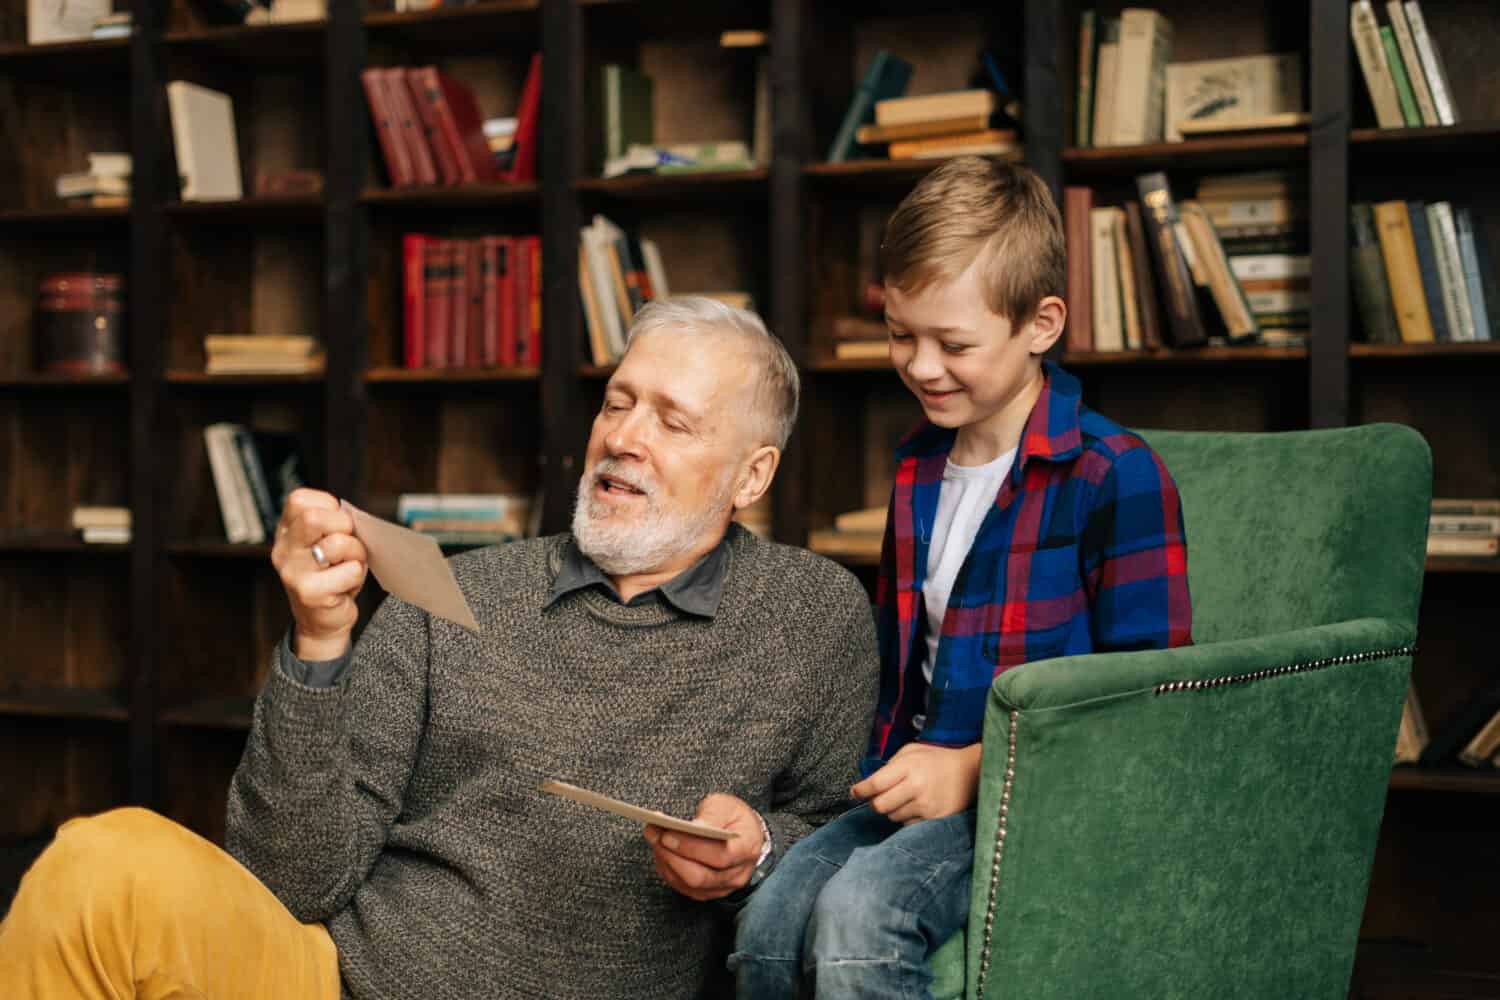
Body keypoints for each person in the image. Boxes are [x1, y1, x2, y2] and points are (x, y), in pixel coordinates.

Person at [0, 297, 880, 1000]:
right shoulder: (458, 592)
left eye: (673, 422)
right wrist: (318, 644)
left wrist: (758, 850)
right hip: (341, 983)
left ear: (752, 475)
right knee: (98, 864)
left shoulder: (812, 618)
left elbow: (832, 841)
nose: (623, 437)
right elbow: (289, 881)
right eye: (618, 402)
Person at [730, 157, 1195, 999]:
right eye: (903, 334)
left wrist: (975, 766)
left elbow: (1148, 706)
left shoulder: (1113, 474)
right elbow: (903, 667)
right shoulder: (919, 467)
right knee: (767, 921)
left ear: (1041, 324)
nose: (922, 366)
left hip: (1033, 794)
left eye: (955, 343)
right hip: (917, 780)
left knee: (859, 916)